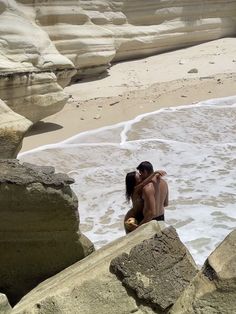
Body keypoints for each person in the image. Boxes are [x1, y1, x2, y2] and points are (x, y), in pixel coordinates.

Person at [124, 168, 166, 233]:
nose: (141, 176)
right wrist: (154, 174)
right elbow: (144, 183)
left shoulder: (137, 189)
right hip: (134, 216)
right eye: (139, 176)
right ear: (134, 181)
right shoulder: (136, 189)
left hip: (134, 214)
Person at [136, 161, 168, 226]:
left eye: (140, 173)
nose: (140, 176)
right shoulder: (164, 183)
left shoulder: (147, 188)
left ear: (145, 171)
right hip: (161, 219)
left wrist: (139, 227)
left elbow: (151, 213)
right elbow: (165, 203)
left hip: (150, 222)